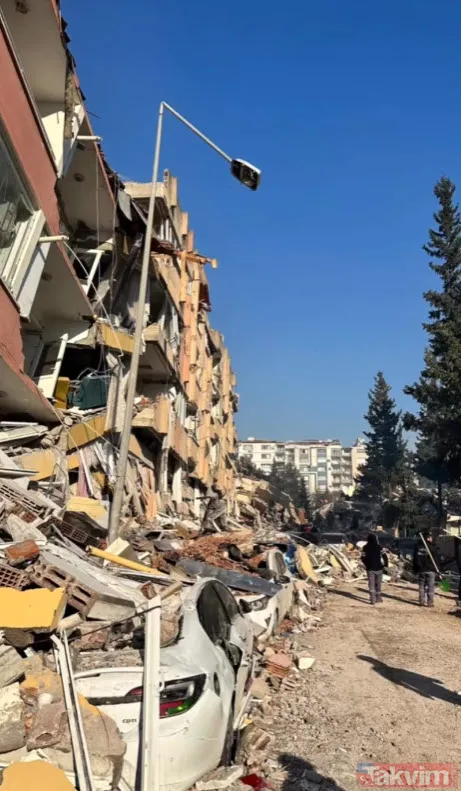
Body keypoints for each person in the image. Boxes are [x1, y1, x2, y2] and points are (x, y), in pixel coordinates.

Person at [413, 532, 440, 607]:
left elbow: (415, 559)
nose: (431, 539)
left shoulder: (418, 547)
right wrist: (438, 570)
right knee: (430, 587)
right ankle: (430, 602)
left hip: (421, 570)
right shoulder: (432, 547)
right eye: (430, 537)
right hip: (430, 570)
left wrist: (415, 569)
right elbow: (437, 559)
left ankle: (421, 601)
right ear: (427, 538)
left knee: (422, 586)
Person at [361, 533, 389, 605]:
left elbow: (362, 557)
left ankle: (372, 600)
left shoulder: (365, 547)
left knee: (371, 584)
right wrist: (385, 564)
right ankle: (378, 598)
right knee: (378, 584)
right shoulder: (379, 547)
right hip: (379, 568)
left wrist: (367, 564)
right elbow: (385, 556)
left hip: (370, 569)